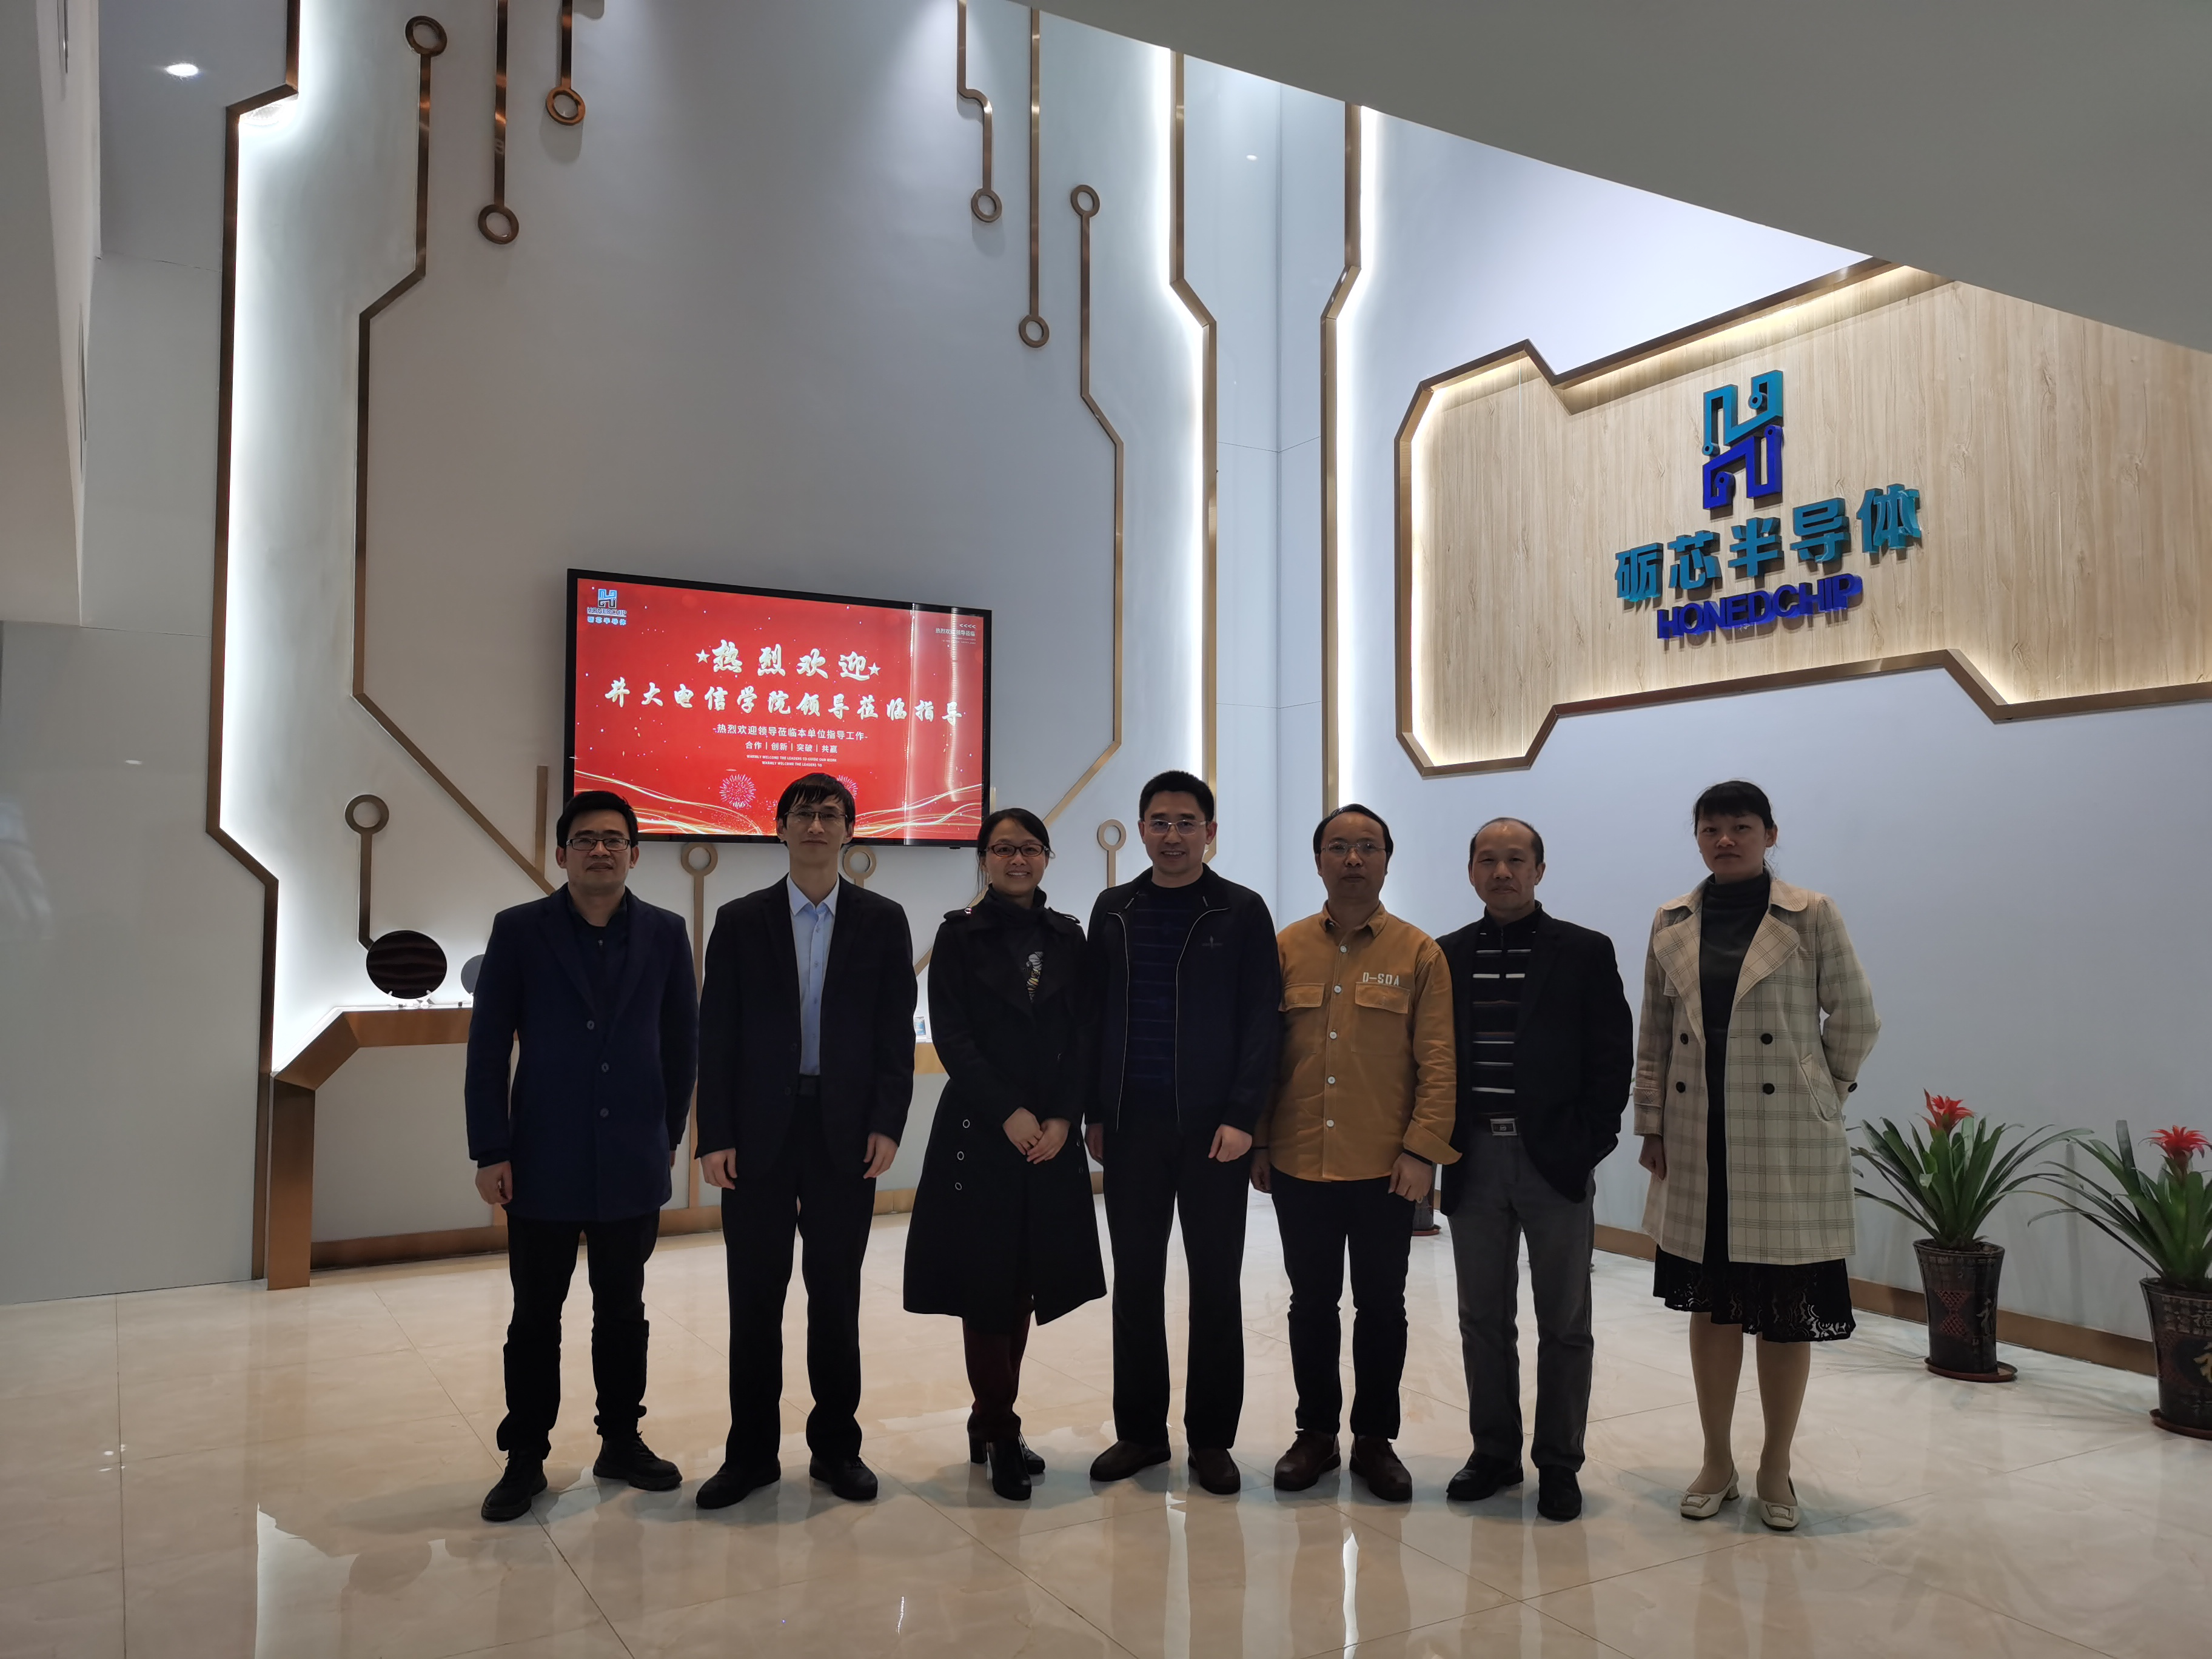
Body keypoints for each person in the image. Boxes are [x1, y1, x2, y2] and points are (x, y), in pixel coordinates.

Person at [1635, 780, 1878, 1532]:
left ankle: (1776, 1465)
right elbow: (1654, 1032)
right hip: (1697, 1138)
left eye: (1741, 826)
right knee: (1711, 1308)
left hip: (1782, 1141)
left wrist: (1823, 1091)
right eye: (1712, 828)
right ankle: (1717, 1459)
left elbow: (1857, 1015)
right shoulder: (1673, 920)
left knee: (1783, 1314)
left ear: (1770, 834)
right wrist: (1650, 1123)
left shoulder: (1811, 914)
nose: (1726, 840)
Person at [463, 790, 699, 1522]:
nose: (601, 850)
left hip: (631, 1156)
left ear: (635, 854)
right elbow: (487, 1048)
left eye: (614, 839)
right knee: (535, 1316)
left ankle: (621, 1441)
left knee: (623, 1312)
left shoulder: (666, 932)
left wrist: (666, 1135)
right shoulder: (519, 930)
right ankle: (525, 1456)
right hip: (542, 1158)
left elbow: (682, 1045)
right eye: (587, 839)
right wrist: (490, 1148)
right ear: (562, 853)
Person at [693, 773, 917, 1508]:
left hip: (844, 1133)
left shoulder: (882, 921)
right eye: (802, 814)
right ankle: (751, 1454)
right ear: (780, 827)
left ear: (850, 830)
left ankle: (836, 1450)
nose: (816, 825)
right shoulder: (740, 919)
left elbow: (894, 1035)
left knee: (836, 1297)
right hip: (758, 1133)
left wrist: (887, 1122)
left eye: (829, 814)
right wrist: (715, 1133)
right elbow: (716, 1035)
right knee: (754, 1298)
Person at [1083, 769, 1282, 1495]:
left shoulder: (1241, 911)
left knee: (1215, 1284)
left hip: (1211, 1132)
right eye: (1160, 822)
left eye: (1187, 822)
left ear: (1210, 832)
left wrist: (1242, 1115)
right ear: (1142, 831)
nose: (1173, 835)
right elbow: (1094, 1016)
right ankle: (1140, 1432)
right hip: (1131, 1126)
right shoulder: (1115, 909)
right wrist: (1096, 1111)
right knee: (1136, 1282)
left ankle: (1211, 1440)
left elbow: (1262, 1022)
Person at [1253, 805, 1456, 1502]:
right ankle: (1315, 1434)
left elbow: (1439, 1062)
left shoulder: (1419, 954)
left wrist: (1422, 1153)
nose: (1352, 859)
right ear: (1318, 861)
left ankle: (1375, 1440)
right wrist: (1261, 1139)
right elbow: (1263, 1055)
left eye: (1367, 846)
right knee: (1310, 1305)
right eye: (1338, 846)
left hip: (1386, 1169)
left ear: (1387, 860)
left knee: (1382, 1307)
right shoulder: (1284, 949)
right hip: (1299, 1162)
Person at [902, 809, 1107, 1501]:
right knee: (984, 1285)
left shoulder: (1069, 936)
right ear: (984, 859)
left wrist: (1063, 1116)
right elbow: (953, 1036)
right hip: (981, 1131)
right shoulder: (957, 934)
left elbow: (1085, 1035)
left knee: (1025, 1283)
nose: (1017, 860)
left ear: (1047, 857)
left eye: (1029, 849)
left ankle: (989, 1417)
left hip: (1050, 1136)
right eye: (1002, 849)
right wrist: (1009, 1112)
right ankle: (1000, 1426)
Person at [1436, 817, 1632, 1522]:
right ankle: (1493, 1452)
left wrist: (1588, 1142)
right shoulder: (1445, 955)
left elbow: (1611, 1058)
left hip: (1555, 1159)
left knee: (1565, 1320)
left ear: (1539, 870)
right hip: (1473, 1157)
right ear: (1471, 871)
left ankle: (1558, 1462)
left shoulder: (1584, 951)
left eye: (1516, 859)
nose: (1502, 872)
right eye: (1487, 860)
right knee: (1482, 1318)